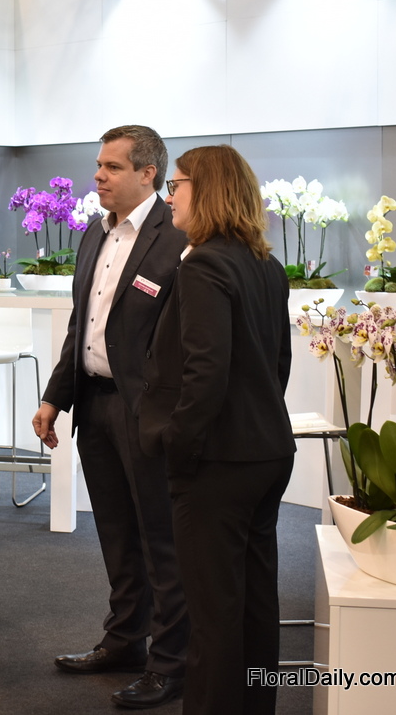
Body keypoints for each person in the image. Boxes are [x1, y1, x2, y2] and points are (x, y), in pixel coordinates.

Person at [32, 125, 190, 710]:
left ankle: (171, 663)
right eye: (99, 165)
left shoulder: (177, 236)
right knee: (117, 534)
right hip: (94, 405)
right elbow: (83, 324)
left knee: (160, 540)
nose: (98, 176)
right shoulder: (94, 233)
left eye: (113, 167)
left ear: (149, 174)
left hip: (146, 411)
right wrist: (55, 397)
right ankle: (125, 641)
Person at [140, 145, 295, 715]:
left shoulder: (203, 265)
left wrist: (180, 444)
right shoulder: (265, 266)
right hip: (265, 452)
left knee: (213, 615)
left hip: (218, 462)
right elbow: (278, 364)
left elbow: (205, 371)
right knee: (255, 605)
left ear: (204, 191)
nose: (169, 197)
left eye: (176, 184)